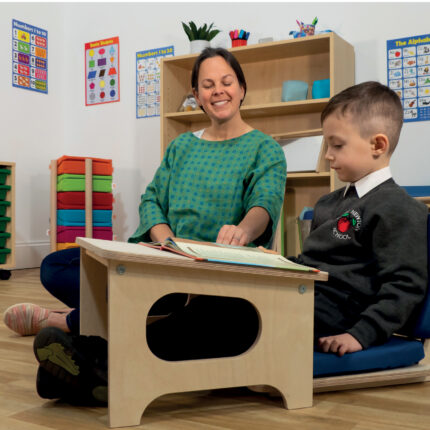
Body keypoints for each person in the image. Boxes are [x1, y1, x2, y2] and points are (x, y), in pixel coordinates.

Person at [6, 47, 287, 403]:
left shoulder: (265, 148)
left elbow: (265, 203)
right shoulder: (181, 146)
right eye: (208, 85)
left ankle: (79, 341)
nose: (218, 91)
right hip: (163, 262)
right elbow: (151, 199)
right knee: (55, 266)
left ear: (242, 88)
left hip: (216, 275)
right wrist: (167, 242)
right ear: (197, 95)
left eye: (227, 82)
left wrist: (243, 230)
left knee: (219, 316)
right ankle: (96, 342)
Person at [294, 81, 428, 357]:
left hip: (337, 315)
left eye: (337, 145)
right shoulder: (326, 203)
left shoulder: (399, 208)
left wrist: (360, 334)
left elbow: (405, 285)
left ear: (377, 144)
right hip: (303, 297)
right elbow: (310, 264)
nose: (327, 155)